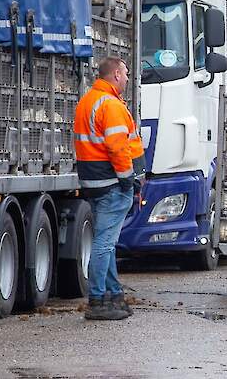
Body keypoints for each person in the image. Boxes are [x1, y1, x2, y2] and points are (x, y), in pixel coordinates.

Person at [74, 57, 144, 320]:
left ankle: (113, 295)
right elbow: (117, 148)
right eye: (125, 73)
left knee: (108, 242)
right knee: (104, 244)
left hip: (94, 182)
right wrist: (129, 179)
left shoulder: (88, 101)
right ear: (115, 74)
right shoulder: (110, 105)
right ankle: (98, 300)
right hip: (112, 183)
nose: (127, 78)